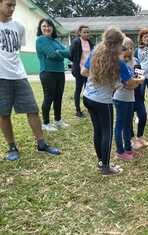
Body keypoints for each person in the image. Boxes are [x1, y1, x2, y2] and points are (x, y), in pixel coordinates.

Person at [0, 0, 60, 161]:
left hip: (19, 75)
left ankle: (41, 143)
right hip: (1, 77)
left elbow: (15, 51)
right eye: (8, 5)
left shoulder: (18, 27)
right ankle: (12, 147)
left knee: (32, 109)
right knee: (3, 113)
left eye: (14, 5)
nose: (12, 8)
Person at [81, 27, 126, 176]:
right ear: (115, 44)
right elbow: (125, 82)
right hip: (103, 102)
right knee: (107, 132)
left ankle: (101, 161)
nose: (122, 47)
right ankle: (106, 168)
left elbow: (84, 72)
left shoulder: (95, 51)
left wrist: (97, 76)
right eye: (121, 44)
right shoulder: (117, 61)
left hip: (88, 97)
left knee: (98, 131)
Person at [35, 18, 71, 131]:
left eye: (49, 26)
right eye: (44, 26)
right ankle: (45, 123)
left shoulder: (55, 41)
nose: (47, 28)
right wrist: (60, 54)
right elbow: (51, 55)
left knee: (58, 97)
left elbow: (68, 53)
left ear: (52, 28)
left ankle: (58, 120)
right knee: (48, 98)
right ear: (40, 28)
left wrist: (59, 52)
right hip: (47, 72)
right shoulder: (40, 40)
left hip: (60, 72)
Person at [113, 37, 144, 160]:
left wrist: (135, 82)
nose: (129, 50)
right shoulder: (119, 63)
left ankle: (128, 149)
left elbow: (139, 79)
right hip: (120, 98)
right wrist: (135, 82)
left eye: (131, 48)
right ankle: (120, 151)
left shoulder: (136, 61)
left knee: (127, 125)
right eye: (126, 48)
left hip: (130, 98)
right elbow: (126, 83)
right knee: (120, 124)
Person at [69, 25, 94, 118]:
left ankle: (89, 108)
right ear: (80, 32)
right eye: (84, 32)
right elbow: (70, 55)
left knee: (88, 90)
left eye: (88, 32)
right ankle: (78, 110)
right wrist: (77, 64)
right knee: (78, 90)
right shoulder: (76, 42)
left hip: (89, 70)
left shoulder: (90, 42)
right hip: (79, 70)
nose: (86, 34)